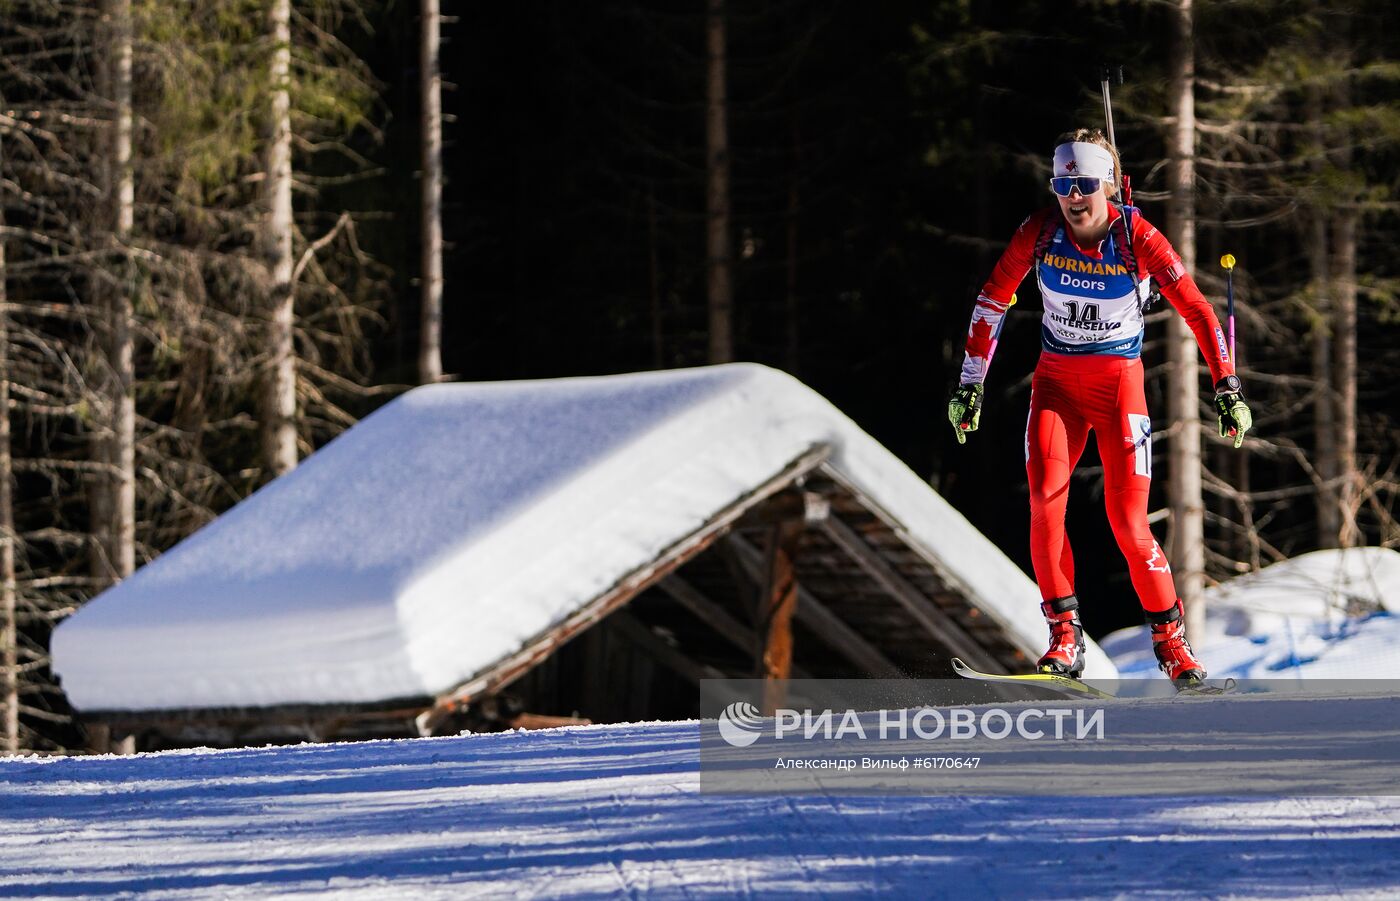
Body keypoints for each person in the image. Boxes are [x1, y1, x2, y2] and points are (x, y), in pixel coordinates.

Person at [946, 128, 1252, 687]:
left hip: (1118, 388)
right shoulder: (1038, 232)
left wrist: (1227, 387)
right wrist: (971, 384)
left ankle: (1174, 649)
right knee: (1044, 504)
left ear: (1108, 186)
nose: (1073, 195)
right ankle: (1065, 640)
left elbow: (1200, 311)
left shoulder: (1136, 236)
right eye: (1063, 183)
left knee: (1130, 524)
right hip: (1057, 386)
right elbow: (992, 299)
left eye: (1085, 182)